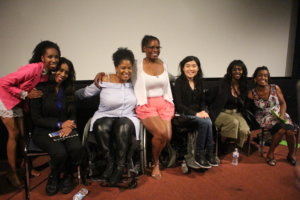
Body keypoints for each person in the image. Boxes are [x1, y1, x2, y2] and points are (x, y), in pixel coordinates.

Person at [0, 40, 60, 188]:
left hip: (17, 101)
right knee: (13, 134)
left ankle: (27, 167)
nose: (54, 60)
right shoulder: (33, 68)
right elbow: (3, 82)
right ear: (42, 58)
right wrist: (25, 94)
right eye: (50, 56)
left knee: (23, 135)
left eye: (56, 57)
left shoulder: (45, 74)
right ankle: (11, 172)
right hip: (4, 97)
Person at [77, 48, 139, 186]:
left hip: (128, 117)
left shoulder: (136, 80)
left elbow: (163, 78)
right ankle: (110, 161)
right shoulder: (105, 79)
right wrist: (67, 94)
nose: (126, 71)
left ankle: (119, 166)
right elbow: (84, 93)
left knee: (123, 125)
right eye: (123, 68)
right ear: (116, 68)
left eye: (129, 68)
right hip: (106, 115)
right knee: (100, 125)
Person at [30, 57, 83, 195]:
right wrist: (60, 124)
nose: (63, 74)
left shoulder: (69, 89)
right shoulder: (39, 89)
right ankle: (54, 176)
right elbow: (36, 119)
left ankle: (68, 175)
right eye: (60, 70)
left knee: (76, 148)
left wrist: (69, 126)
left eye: (66, 72)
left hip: (66, 128)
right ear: (53, 70)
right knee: (60, 153)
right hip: (43, 131)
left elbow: (73, 114)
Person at [134, 35, 174, 179]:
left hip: (163, 103)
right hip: (147, 104)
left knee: (167, 136)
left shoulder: (163, 63)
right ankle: (155, 163)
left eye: (157, 47)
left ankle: (155, 156)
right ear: (144, 48)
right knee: (160, 134)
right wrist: (103, 74)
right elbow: (121, 71)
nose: (155, 50)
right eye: (151, 47)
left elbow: (168, 79)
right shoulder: (137, 64)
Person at [174, 56, 219, 169]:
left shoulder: (199, 82)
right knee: (205, 122)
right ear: (183, 68)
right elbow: (179, 105)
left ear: (198, 68)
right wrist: (196, 114)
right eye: (188, 66)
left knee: (208, 120)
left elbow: (203, 101)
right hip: (183, 115)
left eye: (194, 66)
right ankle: (200, 153)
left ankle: (208, 153)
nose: (191, 69)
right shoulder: (179, 82)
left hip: (197, 114)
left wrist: (204, 110)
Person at [247, 66, 296, 166]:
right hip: (264, 116)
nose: (263, 78)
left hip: (279, 113)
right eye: (260, 75)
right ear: (255, 78)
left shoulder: (275, 88)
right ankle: (270, 153)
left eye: (265, 75)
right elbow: (247, 109)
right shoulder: (252, 93)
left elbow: (283, 103)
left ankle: (291, 154)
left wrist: (281, 116)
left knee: (290, 131)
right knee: (281, 130)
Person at [206, 60, 250, 152]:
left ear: (243, 71)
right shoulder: (221, 84)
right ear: (230, 71)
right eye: (234, 69)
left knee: (244, 130)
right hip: (221, 112)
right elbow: (208, 98)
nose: (237, 72)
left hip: (236, 113)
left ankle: (237, 147)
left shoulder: (243, 85)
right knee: (233, 122)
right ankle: (221, 144)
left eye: (240, 69)